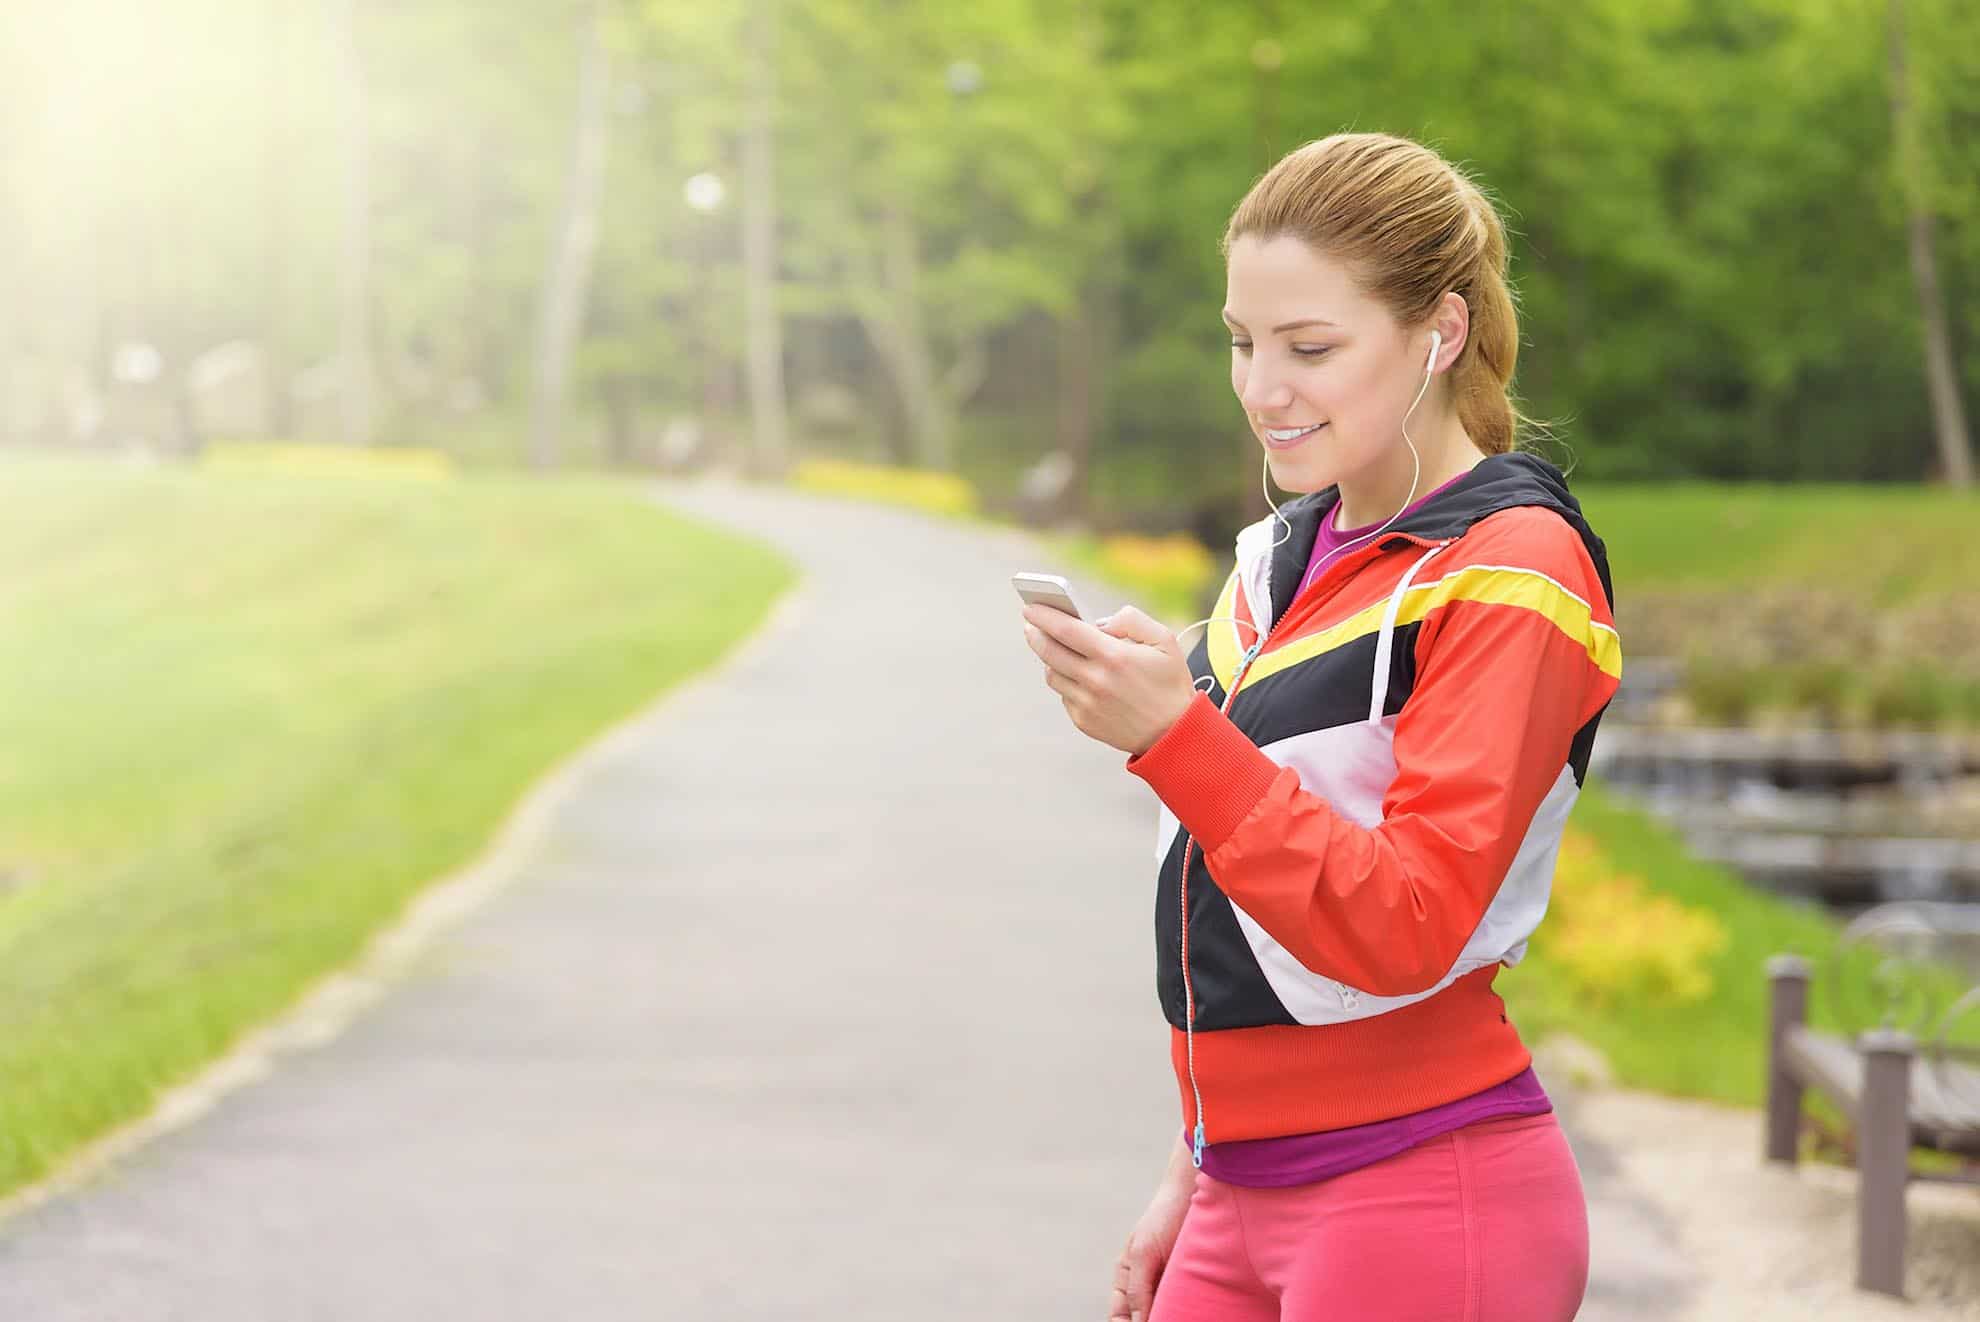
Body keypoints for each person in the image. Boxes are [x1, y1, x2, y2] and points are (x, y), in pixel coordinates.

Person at [1019, 132, 1621, 1321]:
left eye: (1311, 348)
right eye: (1243, 342)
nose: (1261, 387)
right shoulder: (1281, 557)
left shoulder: (1515, 572)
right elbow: (1248, 920)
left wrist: (1174, 737)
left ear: (1440, 333)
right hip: (1237, 1189)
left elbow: (1407, 919)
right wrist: (1196, 1162)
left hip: (1420, 1192)